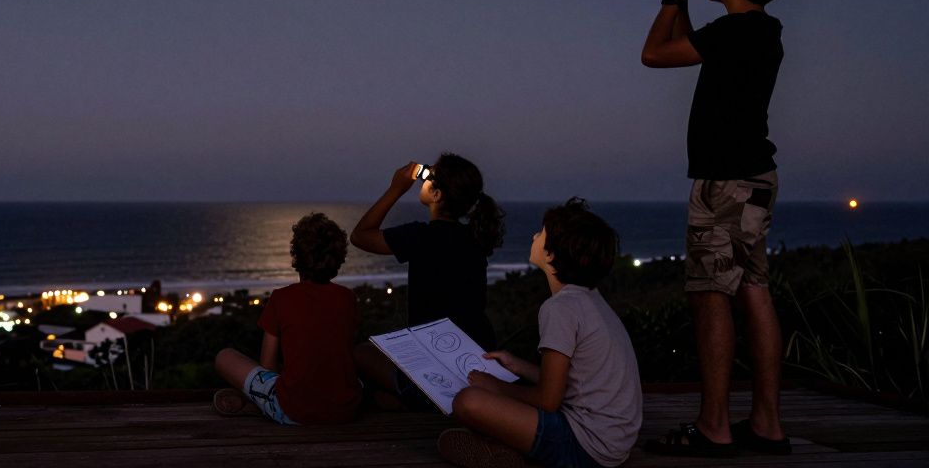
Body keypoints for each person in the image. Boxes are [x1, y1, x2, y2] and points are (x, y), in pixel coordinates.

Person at [639, 0, 794, 458]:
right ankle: (768, 425)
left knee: (710, 295)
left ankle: (714, 427)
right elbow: (690, 48)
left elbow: (655, 54)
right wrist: (684, 0)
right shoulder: (759, 31)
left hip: (724, 181)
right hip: (753, 177)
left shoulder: (738, 31)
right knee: (752, 290)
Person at [438, 198, 641, 468]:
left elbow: (547, 400)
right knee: (488, 402)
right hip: (613, 444)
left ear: (550, 254)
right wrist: (516, 365)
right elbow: (576, 380)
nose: (534, 236)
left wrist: (496, 388)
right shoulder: (590, 298)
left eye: (541, 233)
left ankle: (509, 451)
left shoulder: (560, 308)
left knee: (468, 402)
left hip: (584, 447)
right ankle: (504, 449)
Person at [350, 154, 504, 409]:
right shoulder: (475, 241)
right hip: (476, 362)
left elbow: (360, 236)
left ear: (437, 195)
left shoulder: (420, 236)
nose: (422, 180)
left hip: (436, 369)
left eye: (428, 177)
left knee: (361, 352)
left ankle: (414, 398)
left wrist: (396, 188)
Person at [213, 212, 362, 425]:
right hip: (345, 411)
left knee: (224, 357)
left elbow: (267, 365)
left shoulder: (281, 299)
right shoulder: (349, 298)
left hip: (294, 413)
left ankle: (260, 405)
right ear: (338, 259)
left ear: (296, 257)